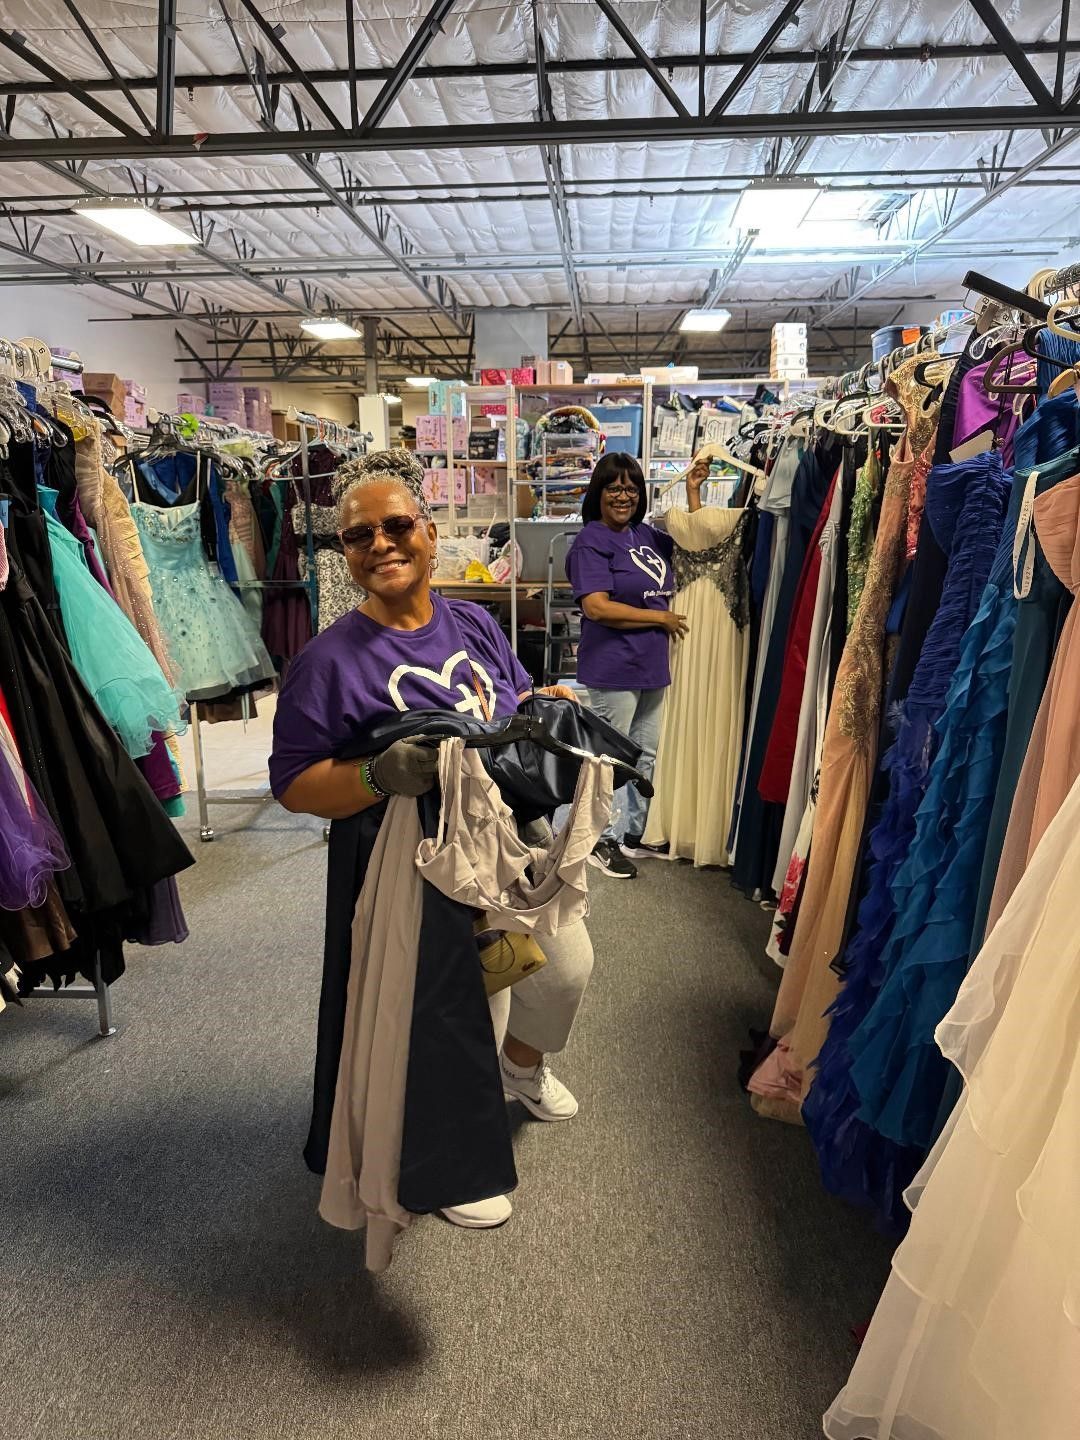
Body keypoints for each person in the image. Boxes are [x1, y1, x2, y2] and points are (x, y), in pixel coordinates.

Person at [270, 450, 591, 1231]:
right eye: (358, 535)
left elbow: (511, 695)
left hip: (507, 833)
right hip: (415, 860)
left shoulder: (472, 621)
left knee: (565, 968)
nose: (380, 544)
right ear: (344, 553)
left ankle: (520, 1071)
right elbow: (295, 782)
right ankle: (450, 1158)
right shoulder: (326, 663)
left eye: (396, 526)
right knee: (465, 1002)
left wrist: (540, 707)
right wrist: (376, 776)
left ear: (429, 532)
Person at [565, 452, 687, 879]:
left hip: (652, 664)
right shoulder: (591, 541)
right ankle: (599, 838)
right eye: (614, 488)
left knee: (645, 754)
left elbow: (696, 545)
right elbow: (597, 607)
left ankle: (635, 831)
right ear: (598, 493)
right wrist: (659, 618)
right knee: (608, 758)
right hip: (613, 665)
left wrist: (691, 490)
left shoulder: (647, 536)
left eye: (631, 489)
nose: (623, 496)